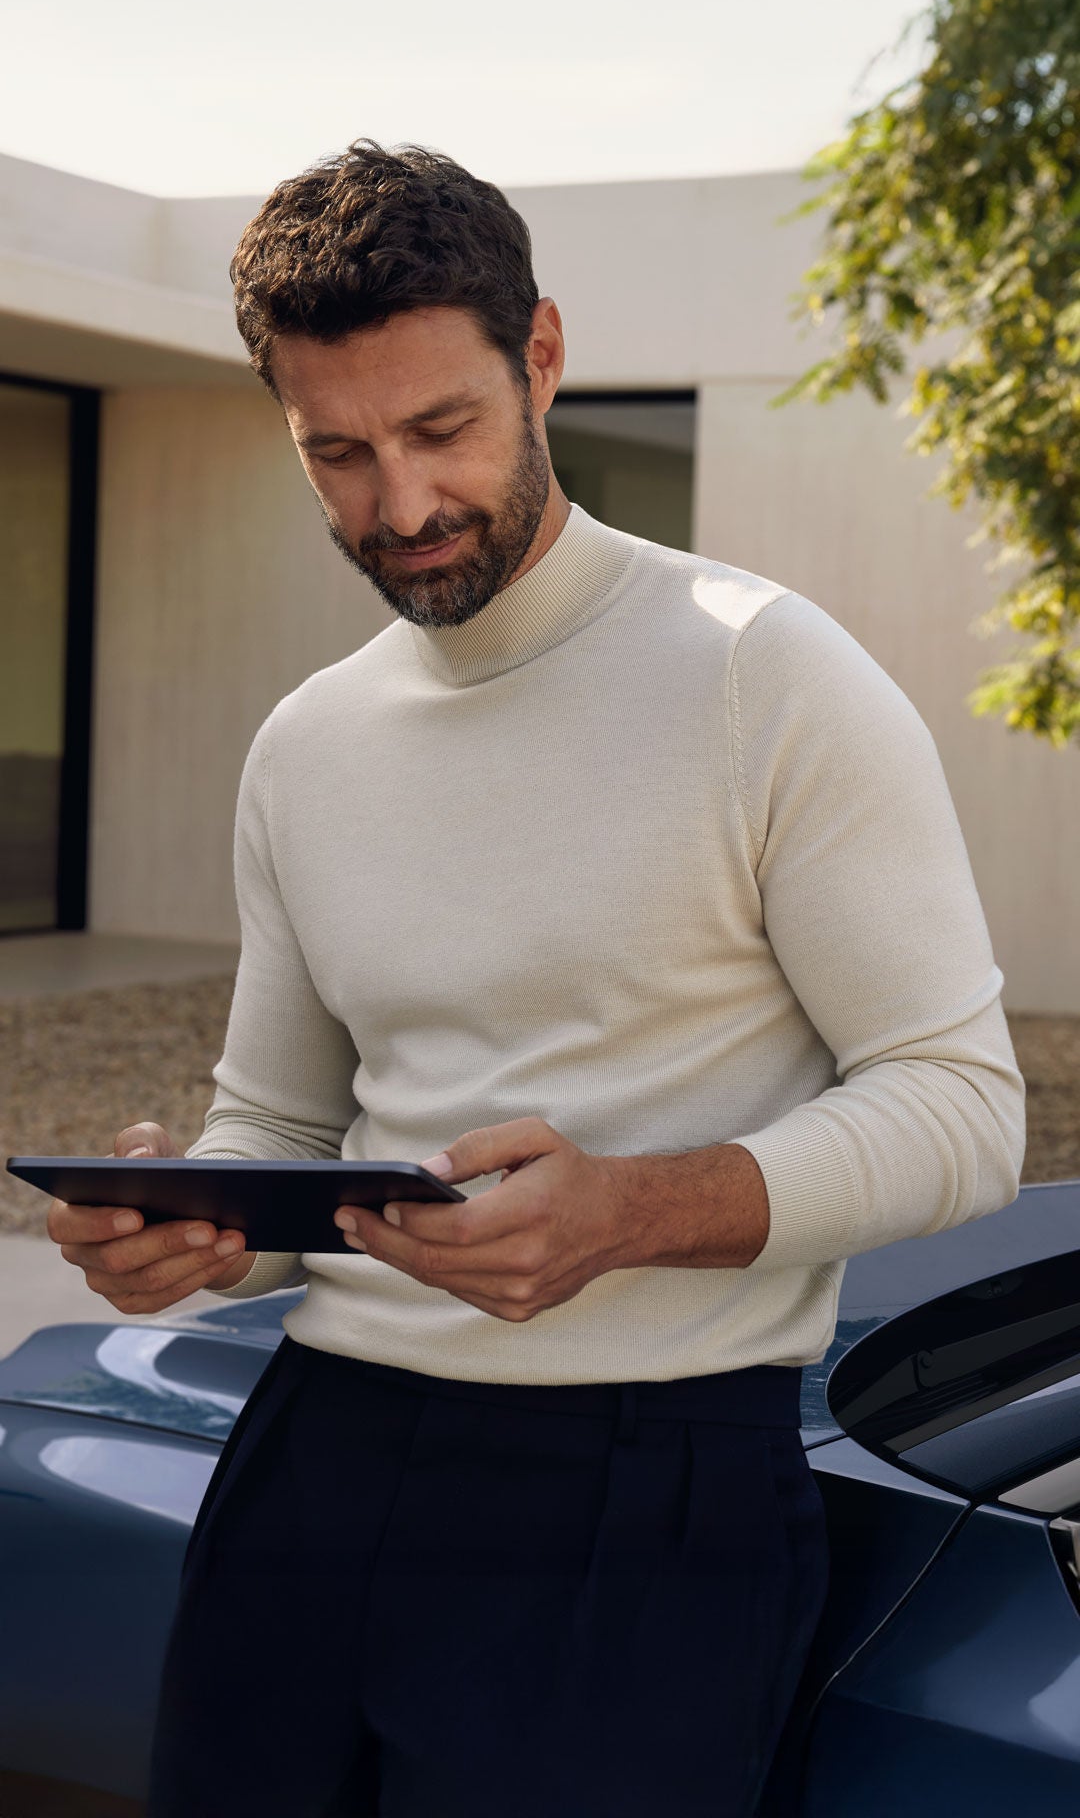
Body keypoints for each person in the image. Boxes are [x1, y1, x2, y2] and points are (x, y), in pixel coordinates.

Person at [49, 140, 1026, 1818]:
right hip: (312, 1464)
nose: (401, 507)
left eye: (442, 432)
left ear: (543, 357)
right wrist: (185, 1234)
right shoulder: (307, 744)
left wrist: (633, 1212)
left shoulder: (764, 676)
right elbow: (277, 1121)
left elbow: (964, 1111)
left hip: (644, 1502)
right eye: (336, 454)